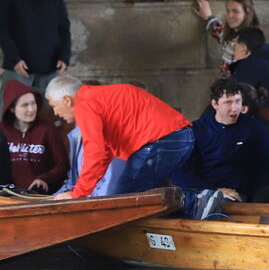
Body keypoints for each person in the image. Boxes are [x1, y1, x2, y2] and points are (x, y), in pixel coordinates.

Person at [46, 77, 194, 198]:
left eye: (53, 105)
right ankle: (197, 200)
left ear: (67, 100)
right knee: (148, 192)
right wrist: (80, 191)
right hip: (178, 138)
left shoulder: (84, 105)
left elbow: (94, 152)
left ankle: (196, 201)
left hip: (162, 140)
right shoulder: (96, 98)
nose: (55, 112)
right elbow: (103, 154)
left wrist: (77, 194)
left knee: (123, 198)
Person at [172, 78, 269, 202]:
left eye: (238, 101)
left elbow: (267, 166)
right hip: (204, 192)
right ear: (215, 104)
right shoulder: (198, 130)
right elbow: (178, 172)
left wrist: (255, 198)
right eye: (228, 102)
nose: (235, 108)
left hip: (241, 195)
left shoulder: (253, 128)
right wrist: (213, 190)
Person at [0, 0, 70, 89]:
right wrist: (14, 59)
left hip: (51, 64)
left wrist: (65, 56)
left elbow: (63, 26)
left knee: (48, 110)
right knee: (13, 108)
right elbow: (3, 28)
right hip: (20, 66)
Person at [0, 79, 67, 193]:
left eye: (33, 103)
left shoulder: (48, 129)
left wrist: (45, 178)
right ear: (11, 108)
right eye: (25, 105)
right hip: (7, 194)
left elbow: (63, 165)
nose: (31, 109)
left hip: (39, 194)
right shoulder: (2, 130)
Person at [192, 0, 258, 73]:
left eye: (235, 11)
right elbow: (220, 32)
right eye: (228, 11)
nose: (229, 16)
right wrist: (208, 17)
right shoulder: (233, 33)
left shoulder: (250, 42)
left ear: (247, 12)